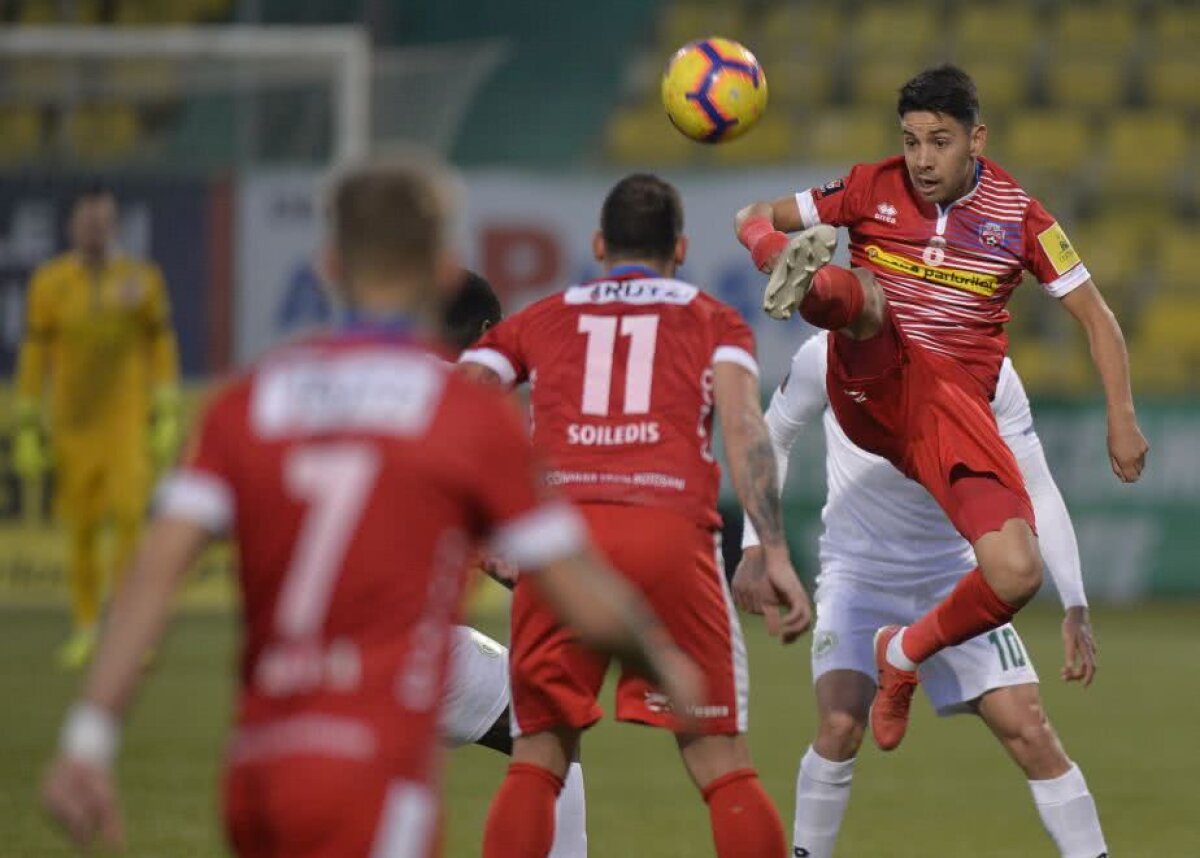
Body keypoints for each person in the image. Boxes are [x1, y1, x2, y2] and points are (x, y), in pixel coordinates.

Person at [39, 159, 701, 857]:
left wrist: (88, 740)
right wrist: (661, 655)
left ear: (329, 267)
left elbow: (154, 570)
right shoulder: (466, 415)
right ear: (443, 271)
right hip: (377, 749)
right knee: (547, 735)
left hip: (262, 760)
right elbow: (577, 592)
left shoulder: (248, 401)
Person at [734, 64, 1147, 751]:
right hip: (875, 385)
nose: (922, 159)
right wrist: (765, 244)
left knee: (1017, 573)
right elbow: (749, 214)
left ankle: (903, 655)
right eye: (911, 140)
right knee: (865, 298)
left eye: (939, 141)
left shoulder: (1021, 217)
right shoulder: (869, 185)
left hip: (951, 415)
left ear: (976, 139)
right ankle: (804, 280)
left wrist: (1122, 416)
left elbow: (1096, 317)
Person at [461, 173, 813, 858]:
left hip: (562, 547)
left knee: (538, 754)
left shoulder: (541, 317)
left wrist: (494, 521)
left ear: (599, 244)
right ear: (679, 249)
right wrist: (772, 553)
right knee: (722, 764)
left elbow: (459, 395)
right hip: (669, 534)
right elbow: (743, 427)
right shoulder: (715, 319)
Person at [736, 329, 1108, 858]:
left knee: (1029, 728)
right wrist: (757, 545)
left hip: (955, 579)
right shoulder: (829, 351)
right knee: (840, 725)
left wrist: (1075, 600)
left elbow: (1037, 483)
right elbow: (773, 435)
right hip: (860, 575)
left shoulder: (987, 363)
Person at [439, 270, 588, 857]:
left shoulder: (359, 383)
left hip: (307, 655)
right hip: (407, 646)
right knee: (552, 730)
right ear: (485, 333)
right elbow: (512, 554)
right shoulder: (469, 401)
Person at [13, 186, 182, 669]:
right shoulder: (50, 283)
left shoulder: (142, 279)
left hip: (125, 423)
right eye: (88, 222)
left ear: (115, 225)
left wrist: (166, 406)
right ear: (72, 227)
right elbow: (35, 352)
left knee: (130, 522)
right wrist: (27, 420)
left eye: (104, 222)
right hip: (72, 426)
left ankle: (129, 631)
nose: (96, 230)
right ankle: (87, 628)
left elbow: (161, 344)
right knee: (81, 531)